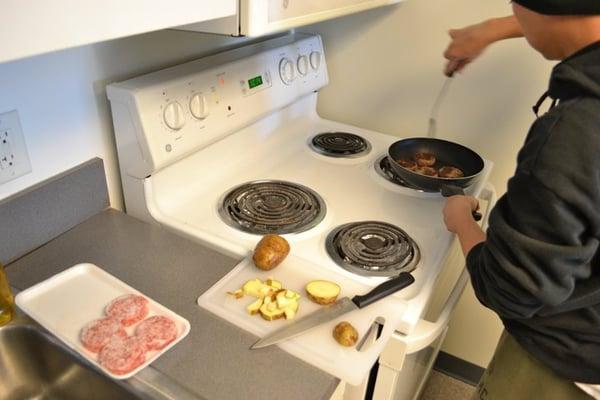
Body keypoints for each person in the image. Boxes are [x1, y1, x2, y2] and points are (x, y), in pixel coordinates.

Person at [441, 1, 600, 399]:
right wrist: (494, 28)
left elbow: (511, 290)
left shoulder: (575, 134)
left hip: (569, 362)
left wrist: (462, 221)